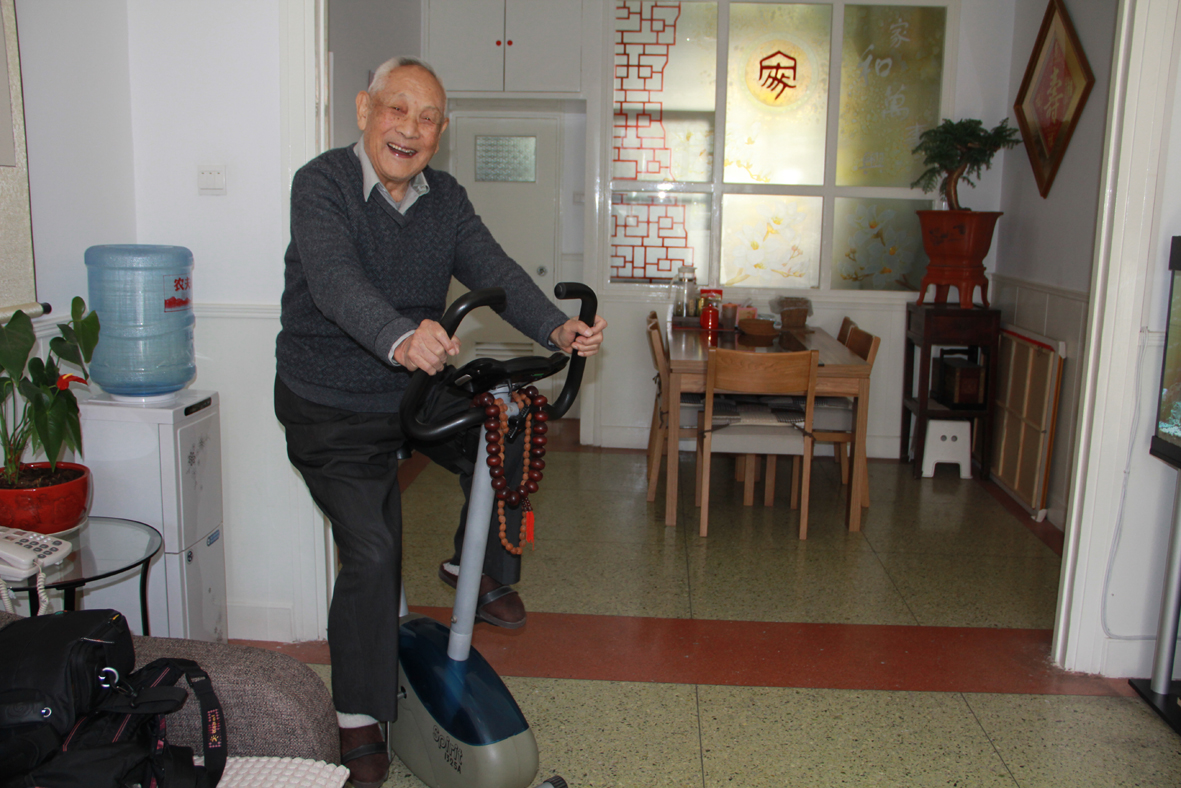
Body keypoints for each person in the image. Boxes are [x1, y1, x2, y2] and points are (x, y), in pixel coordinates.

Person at [273, 56, 606, 787]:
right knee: (372, 553)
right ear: (364, 110)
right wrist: (398, 335)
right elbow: (333, 281)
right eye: (397, 110)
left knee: (511, 423)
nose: (410, 129)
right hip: (329, 405)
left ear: (441, 131)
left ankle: (475, 570)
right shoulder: (322, 184)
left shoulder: (445, 198)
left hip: (409, 391)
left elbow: (496, 270)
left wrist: (555, 328)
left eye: (427, 119)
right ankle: (357, 719)